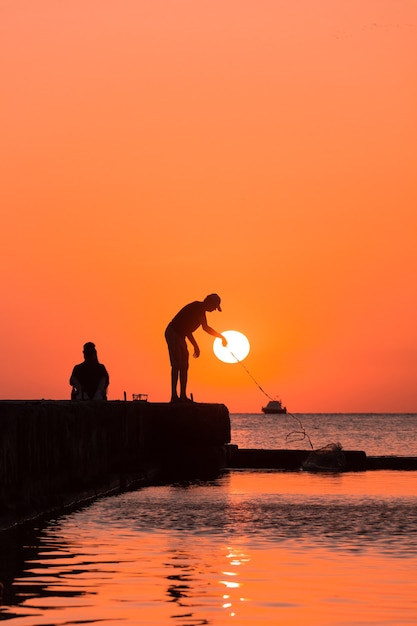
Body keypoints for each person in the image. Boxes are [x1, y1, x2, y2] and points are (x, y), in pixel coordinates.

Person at [165, 294, 227, 403]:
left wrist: (195, 345)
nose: (213, 310)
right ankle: (174, 396)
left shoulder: (200, 310)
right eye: (214, 307)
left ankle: (182, 396)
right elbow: (205, 328)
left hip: (180, 335)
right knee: (177, 364)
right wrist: (221, 337)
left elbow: (189, 330)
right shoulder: (197, 308)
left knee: (184, 365)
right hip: (173, 332)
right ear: (209, 302)